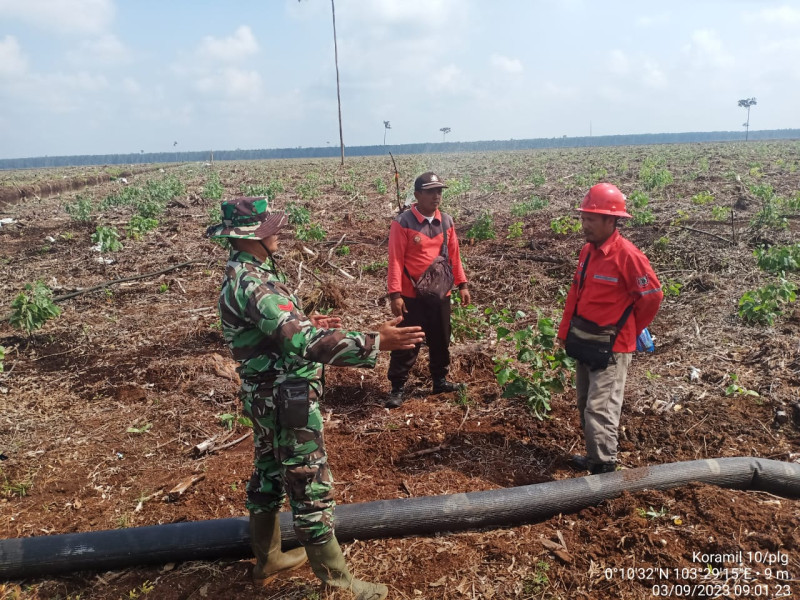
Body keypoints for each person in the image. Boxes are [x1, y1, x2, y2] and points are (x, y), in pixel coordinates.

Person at [206, 197, 425, 600]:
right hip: (284, 398)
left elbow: (280, 332)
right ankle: (338, 584)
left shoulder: (246, 272)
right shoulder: (255, 284)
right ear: (251, 236)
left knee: (269, 473)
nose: (278, 232)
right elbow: (304, 342)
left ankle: (268, 559)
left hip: (265, 397)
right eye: (270, 228)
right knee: (308, 484)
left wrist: (305, 322)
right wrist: (376, 341)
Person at [556, 183, 663, 475]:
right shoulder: (587, 252)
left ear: (610, 220)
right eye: (583, 218)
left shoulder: (628, 255)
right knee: (584, 402)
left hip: (612, 346)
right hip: (585, 339)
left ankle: (604, 469)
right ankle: (594, 457)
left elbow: (652, 297)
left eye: (590, 219)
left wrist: (630, 329)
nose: (584, 224)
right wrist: (564, 332)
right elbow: (575, 293)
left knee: (600, 409)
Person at [385, 171, 471, 408]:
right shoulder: (403, 223)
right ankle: (397, 388)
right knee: (407, 341)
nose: (436, 196)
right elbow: (395, 260)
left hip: (441, 293)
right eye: (431, 191)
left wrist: (462, 285)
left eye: (439, 191)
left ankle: (439, 381)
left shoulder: (446, 222)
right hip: (411, 296)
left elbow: (454, 256)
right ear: (417, 195)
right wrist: (395, 294)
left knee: (441, 339)